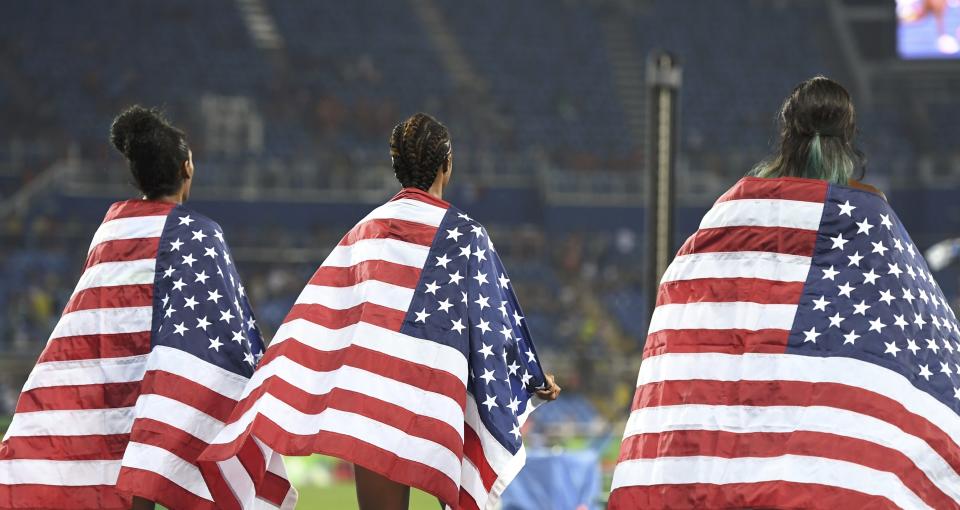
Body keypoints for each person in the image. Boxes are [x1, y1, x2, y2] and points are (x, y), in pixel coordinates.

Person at [609, 77, 960, 508]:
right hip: (823, 486)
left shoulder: (726, 217)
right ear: (849, 138)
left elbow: (681, 318)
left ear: (786, 134)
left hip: (709, 481)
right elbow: (925, 352)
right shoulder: (870, 223)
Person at [198, 113, 561, 510]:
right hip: (436, 394)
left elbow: (326, 312)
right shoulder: (465, 234)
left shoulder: (364, 230)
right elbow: (492, 328)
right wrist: (530, 378)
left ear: (396, 168)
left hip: (371, 396)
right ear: (447, 164)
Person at [0, 106, 293, 510]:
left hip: (111, 379)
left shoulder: (111, 229)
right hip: (164, 388)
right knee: (148, 469)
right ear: (187, 167)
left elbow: (90, 311)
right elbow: (225, 329)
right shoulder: (200, 233)